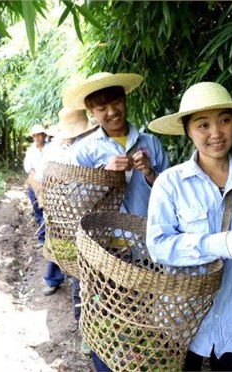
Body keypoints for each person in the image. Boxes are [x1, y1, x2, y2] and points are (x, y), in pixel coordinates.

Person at [146, 82, 232, 371]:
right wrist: (218, 243)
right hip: (184, 317)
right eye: (203, 124)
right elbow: (158, 247)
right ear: (187, 130)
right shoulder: (169, 184)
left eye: (224, 120)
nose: (216, 133)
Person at [63, 72, 171, 369]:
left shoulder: (150, 143)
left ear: (125, 100)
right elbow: (74, 203)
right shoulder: (83, 151)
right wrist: (104, 176)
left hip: (147, 248)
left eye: (116, 102)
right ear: (91, 113)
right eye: (101, 108)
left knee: (145, 317)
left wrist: (149, 172)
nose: (111, 112)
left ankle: (142, 364)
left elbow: (172, 196)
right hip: (104, 253)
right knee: (105, 317)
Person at [37, 107, 97, 354]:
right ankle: (85, 329)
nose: (76, 138)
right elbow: (45, 184)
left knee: (100, 284)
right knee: (79, 279)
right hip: (70, 223)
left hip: (100, 223)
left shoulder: (95, 144)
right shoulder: (53, 151)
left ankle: (100, 329)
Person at [23, 124, 47, 249]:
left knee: (50, 212)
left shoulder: (52, 148)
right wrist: (34, 178)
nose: (37, 138)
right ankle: (42, 239)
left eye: (39, 135)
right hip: (34, 185)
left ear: (44, 135)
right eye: (35, 136)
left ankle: (52, 240)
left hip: (50, 184)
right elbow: (28, 166)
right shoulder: (31, 151)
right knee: (38, 211)